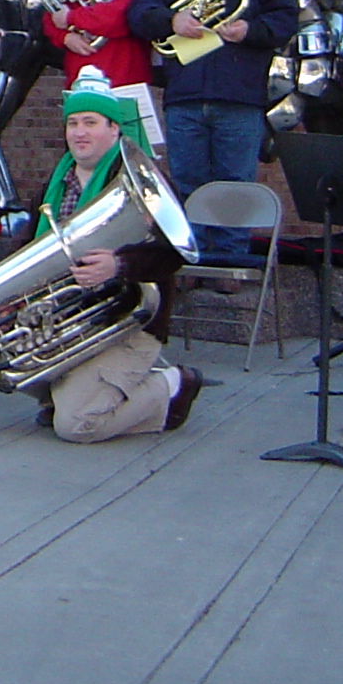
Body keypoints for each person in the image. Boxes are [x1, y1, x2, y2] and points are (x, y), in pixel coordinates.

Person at [29, 81, 203, 441]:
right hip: (73, 317)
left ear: (114, 128)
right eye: (73, 122)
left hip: (129, 321)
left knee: (75, 426)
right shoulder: (57, 180)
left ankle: (171, 385)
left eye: (91, 122)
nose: (79, 132)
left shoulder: (142, 178)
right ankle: (76, 389)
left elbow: (176, 251)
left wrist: (119, 265)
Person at [126, 0, 298, 263]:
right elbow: (138, 13)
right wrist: (172, 21)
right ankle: (195, 260)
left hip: (240, 98)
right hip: (185, 97)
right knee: (188, 183)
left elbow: (286, 21)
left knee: (235, 184)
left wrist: (250, 28)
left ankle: (231, 261)